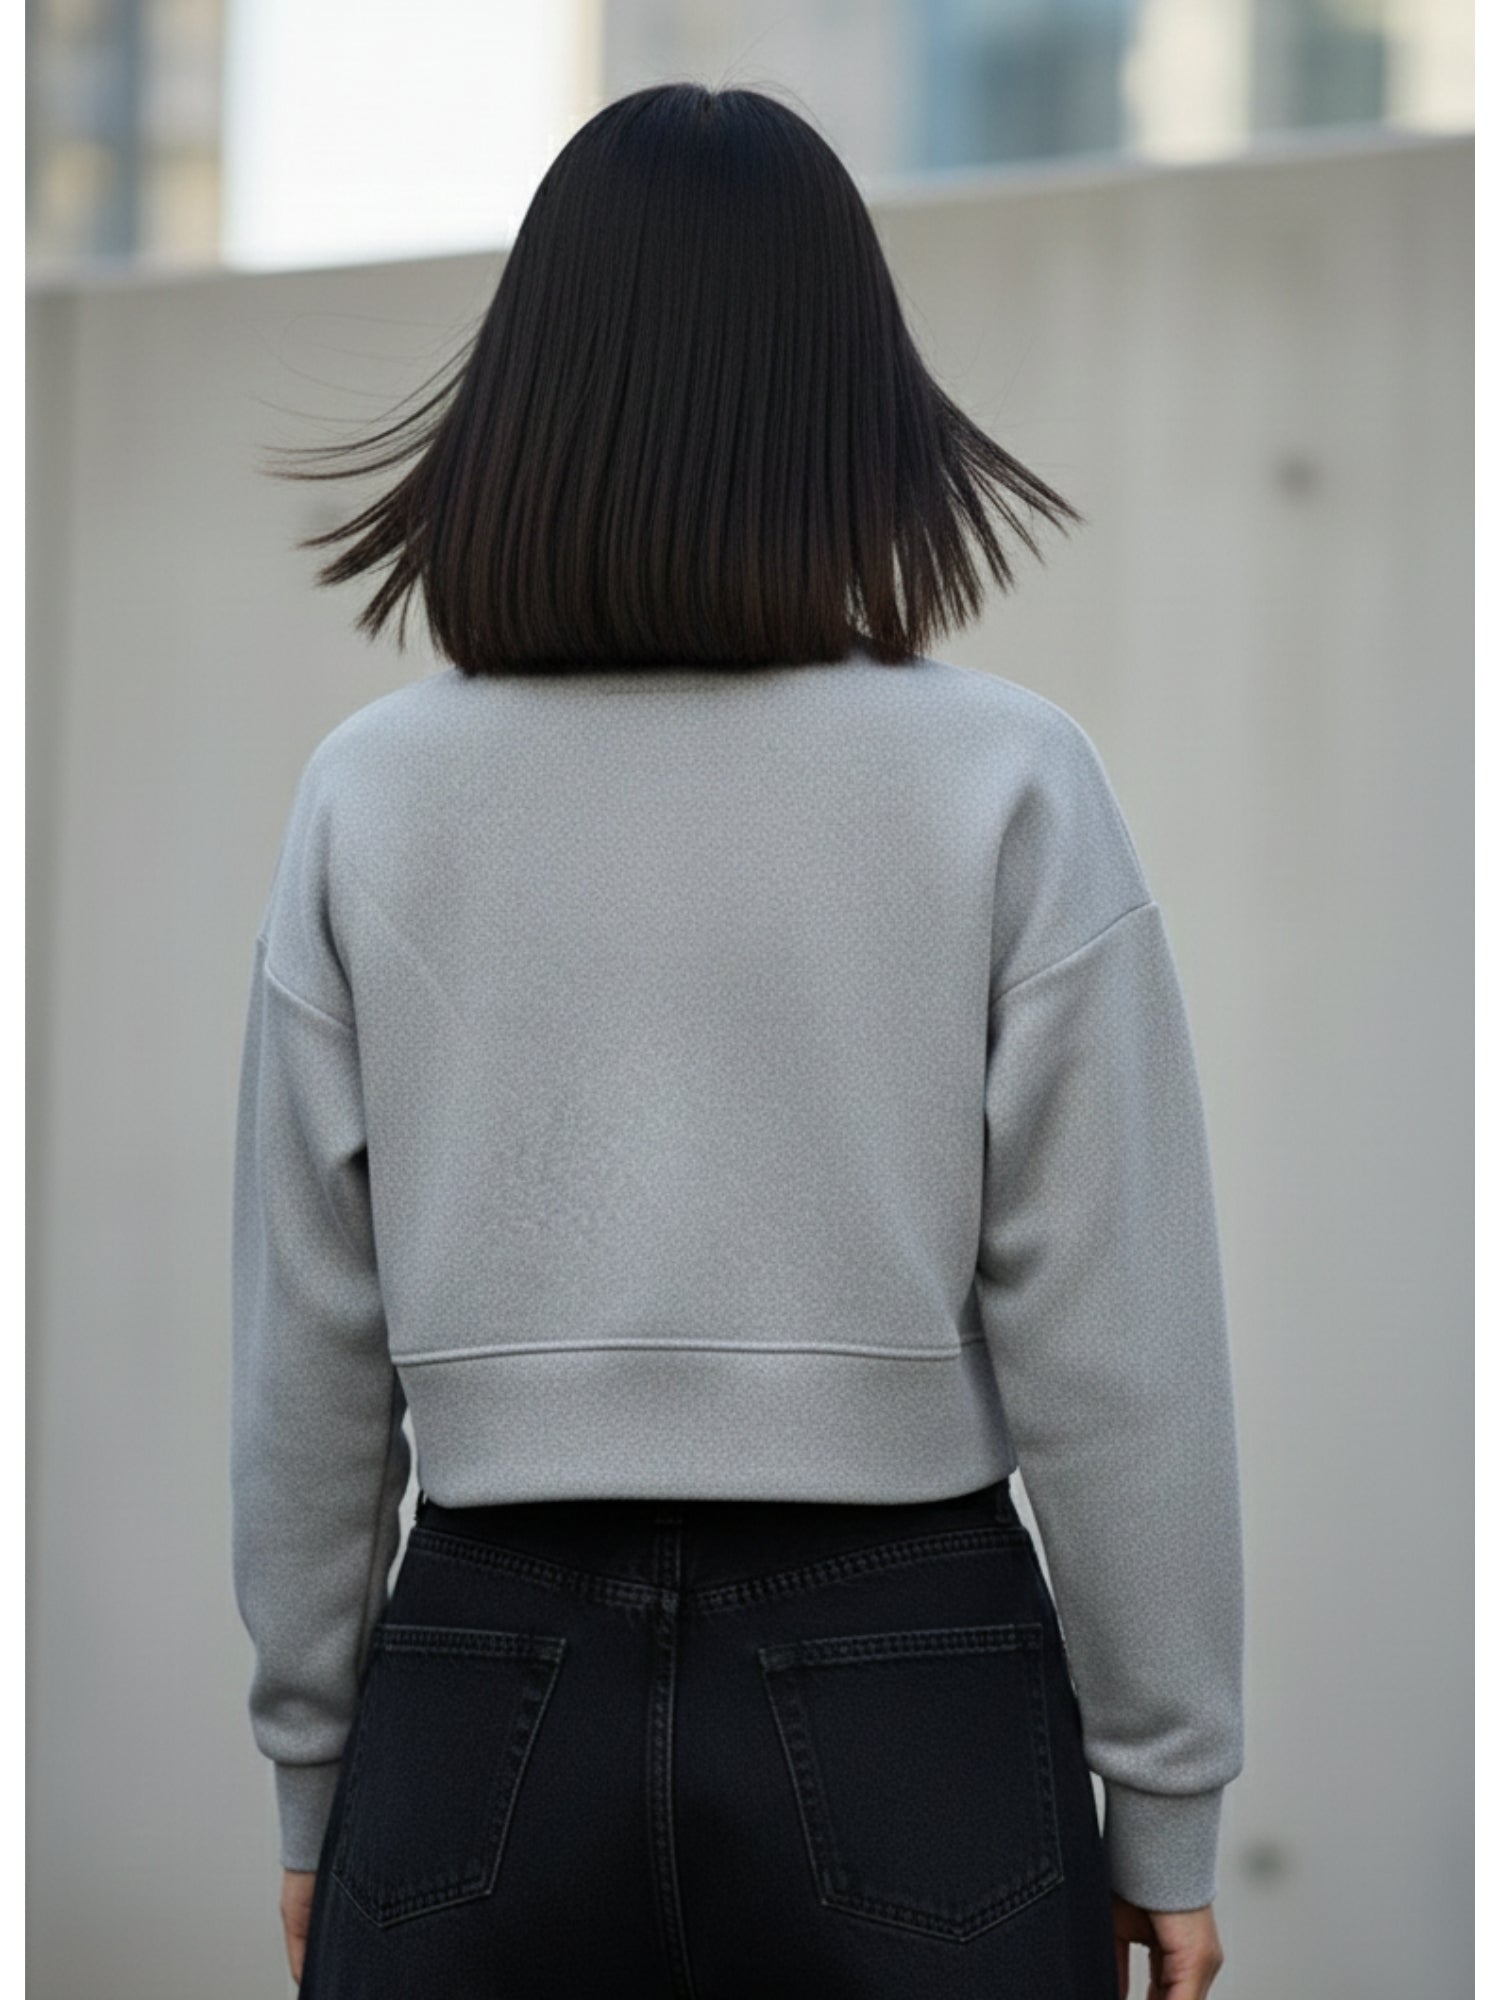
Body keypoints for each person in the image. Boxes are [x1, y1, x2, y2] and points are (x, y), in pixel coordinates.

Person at [230, 79, 1243, 2000]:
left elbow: (310, 1350)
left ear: (526, 399)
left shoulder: (372, 794)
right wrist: (1166, 1797)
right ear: (862, 409)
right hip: (914, 1678)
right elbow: (1118, 1343)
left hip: (479, 1679)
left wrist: (313, 1778)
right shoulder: (1009, 779)